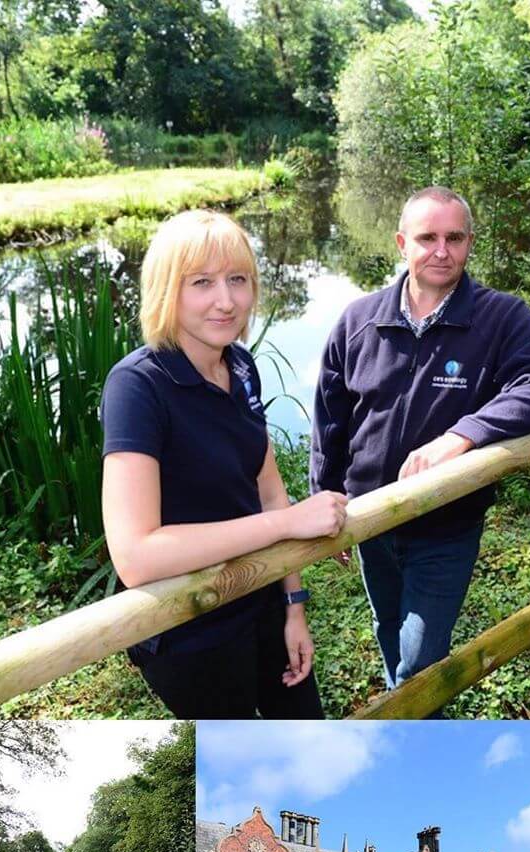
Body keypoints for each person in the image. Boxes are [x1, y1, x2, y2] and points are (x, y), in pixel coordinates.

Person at [310, 186, 530, 709]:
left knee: (421, 657)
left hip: (446, 525)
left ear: (470, 243)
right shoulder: (358, 321)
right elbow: (330, 419)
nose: (441, 250)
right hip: (371, 521)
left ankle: (408, 717)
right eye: (427, 238)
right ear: (402, 243)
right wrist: (325, 493)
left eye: (454, 238)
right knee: (389, 626)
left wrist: (463, 434)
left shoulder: (501, 318)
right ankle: (406, 707)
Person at [100, 209, 348, 718]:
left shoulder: (241, 364)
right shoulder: (137, 386)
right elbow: (135, 556)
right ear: (167, 290)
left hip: (262, 600)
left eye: (238, 279)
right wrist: (286, 523)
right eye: (202, 283)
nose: (227, 300)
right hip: (191, 630)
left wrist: (293, 606)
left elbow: (269, 489)